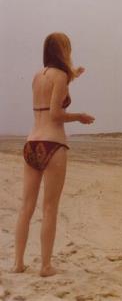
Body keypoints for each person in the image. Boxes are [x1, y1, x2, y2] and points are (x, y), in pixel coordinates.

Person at [12, 32, 95, 277]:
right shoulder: (60, 76)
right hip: (53, 144)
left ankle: (18, 263)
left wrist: (73, 77)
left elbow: (51, 93)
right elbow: (56, 114)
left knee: (26, 207)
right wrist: (79, 117)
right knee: (49, 208)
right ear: (62, 51)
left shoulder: (38, 76)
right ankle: (45, 266)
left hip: (31, 143)